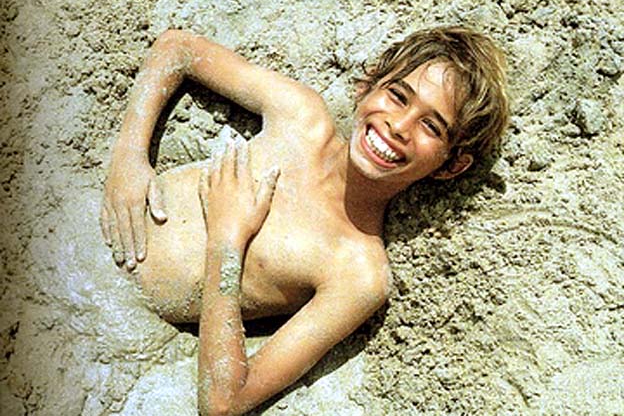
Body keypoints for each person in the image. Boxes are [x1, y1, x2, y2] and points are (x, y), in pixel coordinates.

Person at [100, 26, 509, 416]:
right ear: (367, 84)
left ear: (451, 166)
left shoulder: (358, 273)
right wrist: (130, 156)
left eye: (431, 126)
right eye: (398, 96)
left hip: (111, 308)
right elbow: (177, 48)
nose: (399, 126)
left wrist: (226, 240)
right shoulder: (299, 117)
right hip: (83, 217)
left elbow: (224, 401)